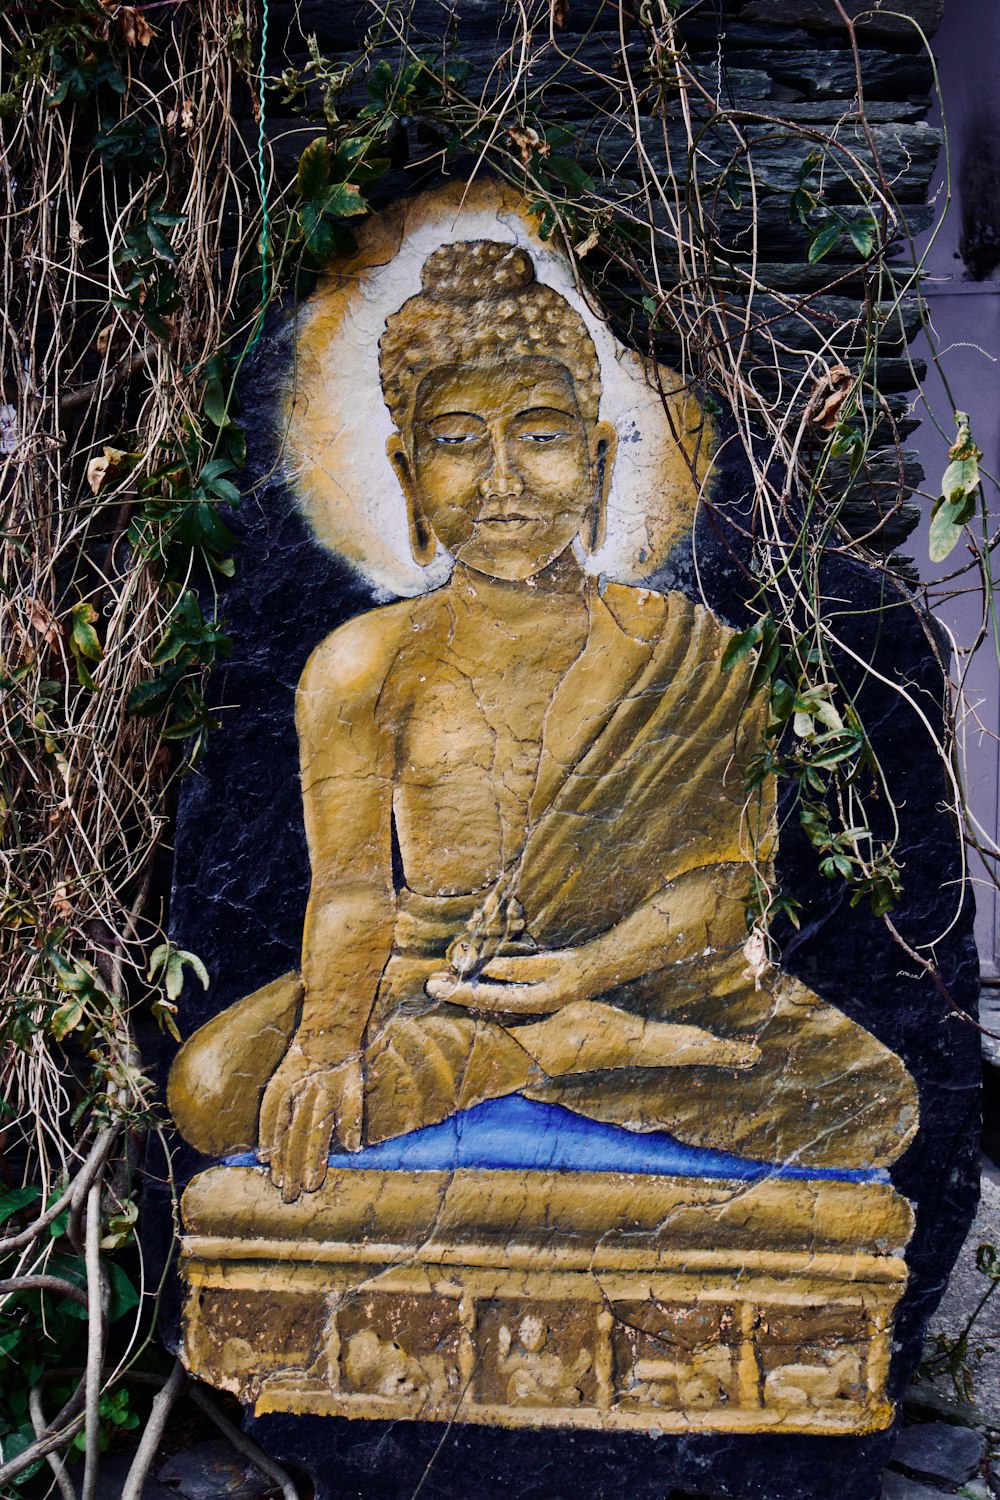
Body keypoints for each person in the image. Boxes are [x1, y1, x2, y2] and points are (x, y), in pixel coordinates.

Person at [168, 240, 918, 1202]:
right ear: (406, 472)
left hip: (648, 975)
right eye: (456, 440)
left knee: (873, 1097)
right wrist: (323, 1049)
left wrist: (586, 972)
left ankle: (550, 1041)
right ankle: (563, 1053)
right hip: (432, 980)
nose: (503, 478)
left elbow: (728, 891)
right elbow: (353, 892)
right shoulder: (364, 663)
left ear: (599, 457)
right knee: (213, 1088)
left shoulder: (691, 651)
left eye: (540, 432)